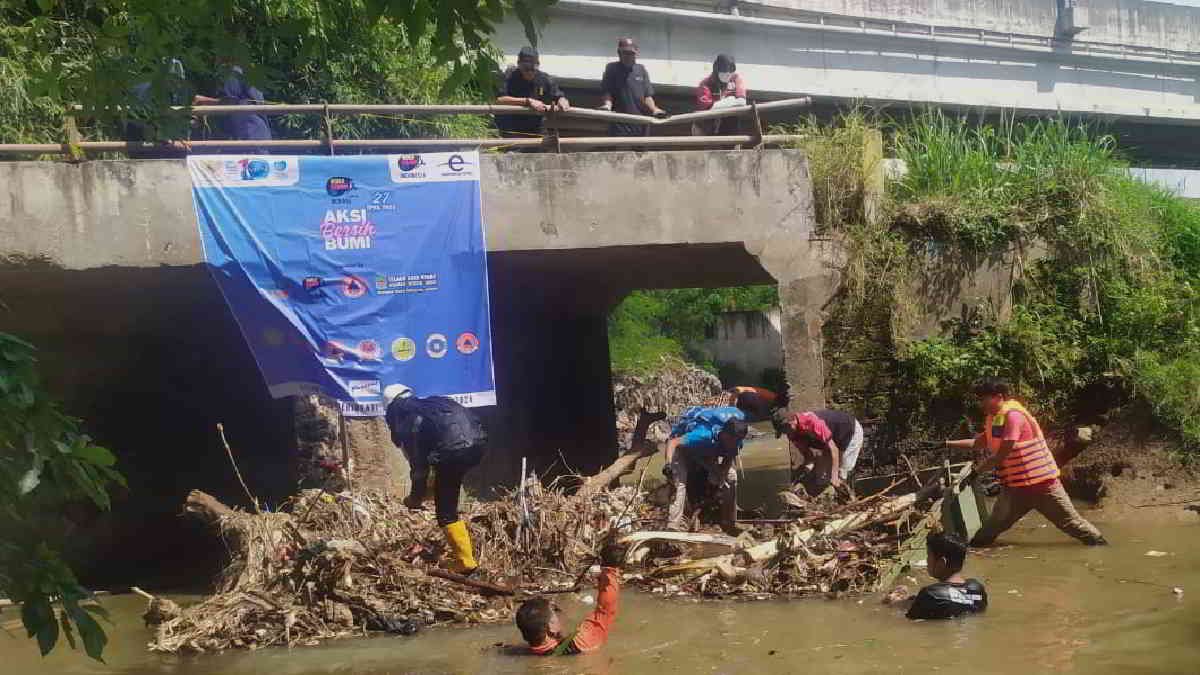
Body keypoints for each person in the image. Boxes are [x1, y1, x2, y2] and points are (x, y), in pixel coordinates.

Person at [946, 378, 1106, 546]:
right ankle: (974, 552)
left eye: (983, 398)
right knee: (988, 532)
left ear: (998, 397)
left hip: (1043, 486)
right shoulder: (995, 418)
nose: (980, 403)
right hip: (1016, 489)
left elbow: (1000, 455)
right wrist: (946, 444)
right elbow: (978, 443)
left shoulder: (1014, 416)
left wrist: (976, 472)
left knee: (1074, 525)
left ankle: (1103, 548)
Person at [384, 385, 488, 574]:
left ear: (392, 409)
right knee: (448, 481)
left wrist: (415, 498)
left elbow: (419, 468)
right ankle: (463, 548)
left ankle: (466, 562)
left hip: (452, 453)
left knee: (445, 513)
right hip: (478, 446)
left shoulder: (410, 420)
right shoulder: (433, 405)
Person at [516, 541, 625, 655]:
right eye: (555, 613)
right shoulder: (582, 643)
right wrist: (610, 568)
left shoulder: (526, 652)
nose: (559, 615)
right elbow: (605, 610)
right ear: (551, 627)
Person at [663, 406, 748, 534]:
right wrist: (668, 464)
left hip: (704, 452)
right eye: (732, 440)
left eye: (737, 441)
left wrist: (719, 477)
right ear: (724, 434)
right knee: (679, 481)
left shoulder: (735, 442)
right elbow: (673, 443)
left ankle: (729, 522)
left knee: (731, 477)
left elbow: (728, 460)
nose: (734, 443)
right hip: (681, 450)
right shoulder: (703, 435)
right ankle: (673, 527)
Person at [772, 408, 865, 496]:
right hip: (832, 441)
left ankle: (846, 501)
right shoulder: (792, 434)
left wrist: (834, 476)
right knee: (822, 478)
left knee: (841, 473)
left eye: (784, 430)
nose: (786, 434)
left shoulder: (813, 422)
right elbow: (809, 457)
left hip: (850, 432)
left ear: (791, 423)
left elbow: (834, 450)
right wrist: (805, 469)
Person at [906, 531, 988, 620]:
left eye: (929, 556)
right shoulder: (978, 589)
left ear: (941, 563)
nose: (927, 561)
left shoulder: (930, 594)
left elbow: (908, 621)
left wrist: (895, 603)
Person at [495, 46, 570, 139]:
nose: (529, 72)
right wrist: (528, 101)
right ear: (519, 65)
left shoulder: (545, 79)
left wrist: (562, 101)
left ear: (538, 65)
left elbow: (559, 96)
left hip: (537, 127)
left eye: (532, 68)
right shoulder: (510, 77)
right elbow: (499, 100)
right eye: (526, 68)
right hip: (512, 127)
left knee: (544, 149)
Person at [600, 38, 667, 136]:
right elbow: (607, 91)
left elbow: (647, 96)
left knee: (641, 150)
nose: (629, 56)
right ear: (619, 53)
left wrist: (654, 109)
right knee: (620, 150)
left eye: (631, 53)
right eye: (625, 52)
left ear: (636, 53)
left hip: (641, 121)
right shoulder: (612, 68)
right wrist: (607, 105)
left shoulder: (641, 69)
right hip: (619, 121)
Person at [194, 63, 272, 144]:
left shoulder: (233, 73)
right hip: (260, 134)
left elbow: (232, 102)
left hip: (249, 133)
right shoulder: (249, 72)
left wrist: (203, 101)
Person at [693, 53, 747, 136]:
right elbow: (708, 108)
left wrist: (720, 104)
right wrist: (730, 100)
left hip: (728, 126)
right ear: (717, 70)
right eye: (724, 71)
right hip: (707, 126)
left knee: (733, 119)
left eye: (731, 70)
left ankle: (731, 145)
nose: (728, 74)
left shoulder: (736, 79)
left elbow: (742, 102)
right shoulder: (705, 84)